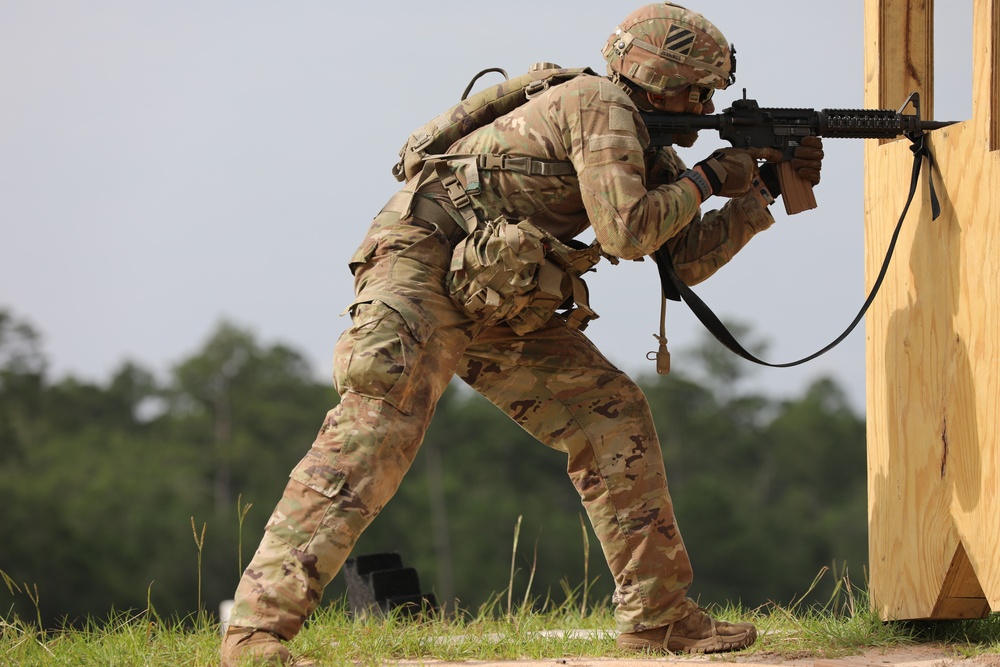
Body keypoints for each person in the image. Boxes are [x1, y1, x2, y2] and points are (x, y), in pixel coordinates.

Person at [220, 3, 824, 665]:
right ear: (660, 77)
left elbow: (682, 258)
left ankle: (659, 618)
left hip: (493, 287)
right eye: (698, 89)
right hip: (419, 268)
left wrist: (760, 190)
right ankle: (255, 636)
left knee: (608, 415)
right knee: (372, 431)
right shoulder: (597, 105)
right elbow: (627, 231)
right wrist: (709, 175)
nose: (705, 103)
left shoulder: (636, 139)